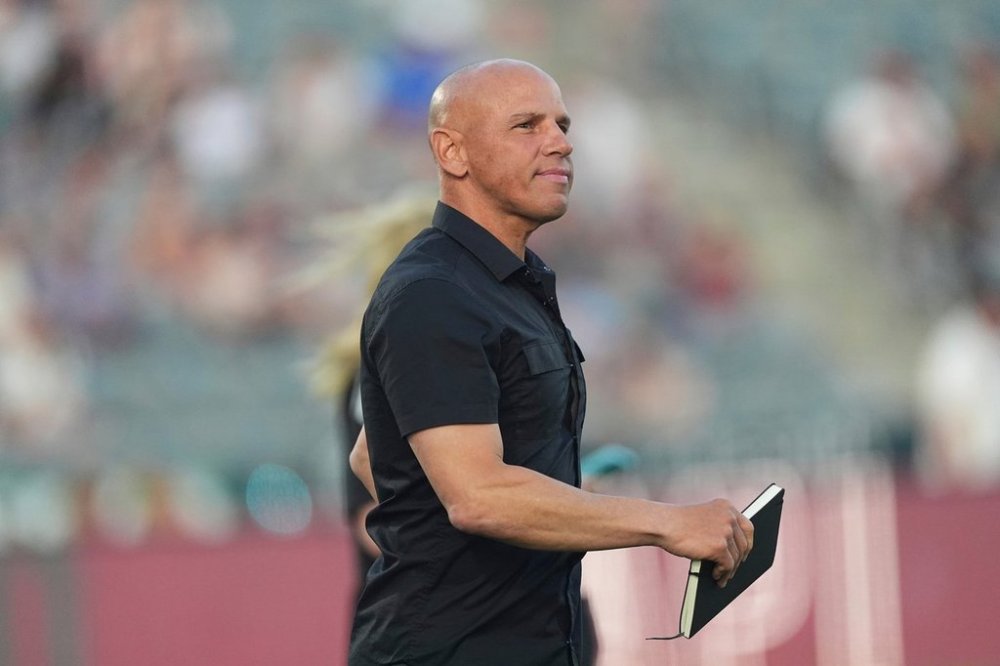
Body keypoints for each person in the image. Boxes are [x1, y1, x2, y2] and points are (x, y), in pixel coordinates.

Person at [348, 59, 754, 666]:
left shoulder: (507, 284)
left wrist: (512, 520)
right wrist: (664, 522)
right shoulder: (432, 292)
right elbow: (479, 497)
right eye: (526, 126)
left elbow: (371, 452)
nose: (560, 141)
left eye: (561, 123)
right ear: (452, 152)